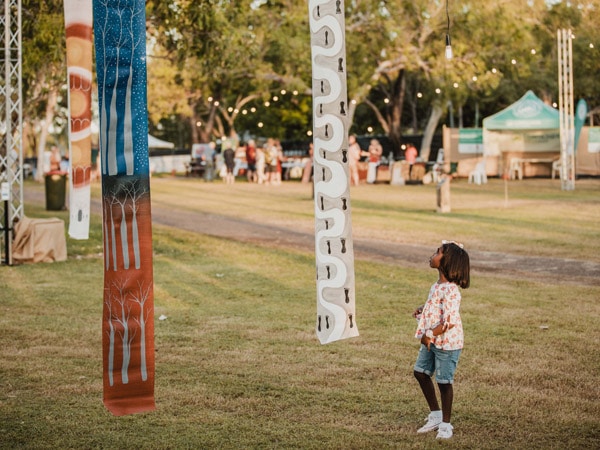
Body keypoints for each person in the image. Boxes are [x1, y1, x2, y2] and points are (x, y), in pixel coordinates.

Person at [412, 240, 470, 440]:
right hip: (434, 340)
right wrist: (423, 308)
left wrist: (429, 334)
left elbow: (450, 322)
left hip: (447, 344)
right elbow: (436, 306)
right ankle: (435, 415)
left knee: (444, 382)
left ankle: (446, 424)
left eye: (438, 252)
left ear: (448, 262)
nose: (433, 254)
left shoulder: (452, 290)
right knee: (420, 373)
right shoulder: (437, 285)